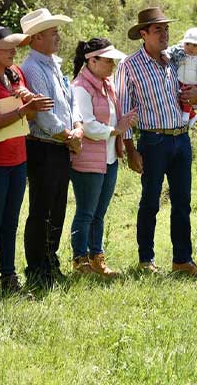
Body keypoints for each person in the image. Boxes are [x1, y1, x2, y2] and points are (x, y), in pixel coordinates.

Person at [116, 7, 197, 277]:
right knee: (150, 201)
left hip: (181, 137)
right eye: (158, 30)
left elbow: (195, 87)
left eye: (166, 29)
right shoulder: (129, 66)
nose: (165, 34)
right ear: (143, 34)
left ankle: (182, 259)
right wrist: (130, 149)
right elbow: (124, 109)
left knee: (182, 201)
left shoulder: (175, 61)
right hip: (153, 140)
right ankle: (146, 259)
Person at [0, 25, 53, 291]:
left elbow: (28, 112)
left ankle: (8, 276)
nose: (14, 52)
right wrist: (23, 109)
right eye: (8, 48)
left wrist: (29, 100)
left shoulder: (14, 74)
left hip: (17, 159)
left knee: (10, 222)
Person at [19, 8, 80, 287]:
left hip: (59, 145)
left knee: (57, 207)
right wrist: (69, 135)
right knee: (43, 207)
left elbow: (69, 102)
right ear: (36, 38)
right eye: (52, 32)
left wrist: (76, 128)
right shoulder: (31, 68)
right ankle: (37, 267)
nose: (58, 36)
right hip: (44, 146)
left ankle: (50, 260)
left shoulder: (53, 64)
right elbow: (43, 114)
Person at [69, 38, 138, 277]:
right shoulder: (80, 87)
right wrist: (116, 130)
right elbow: (86, 125)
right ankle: (80, 261)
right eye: (107, 60)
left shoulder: (106, 84)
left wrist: (121, 126)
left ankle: (96, 258)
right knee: (86, 211)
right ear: (92, 60)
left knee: (99, 212)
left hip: (108, 157)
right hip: (88, 158)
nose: (112, 65)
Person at [166, 27, 197, 127]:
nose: (190, 47)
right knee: (178, 98)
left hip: (195, 84)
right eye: (187, 44)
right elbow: (171, 50)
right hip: (180, 81)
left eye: (195, 45)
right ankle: (192, 115)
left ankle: (187, 114)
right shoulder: (180, 53)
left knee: (187, 97)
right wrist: (166, 54)